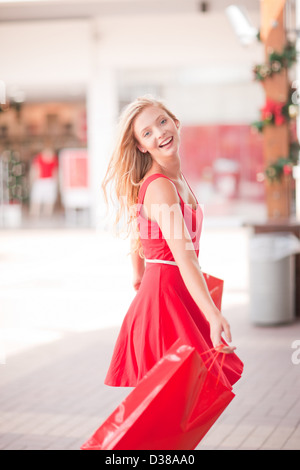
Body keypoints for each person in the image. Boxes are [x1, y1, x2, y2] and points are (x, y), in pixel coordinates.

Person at [102, 96, 243, 388]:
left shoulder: (173, 179)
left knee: (186, 400)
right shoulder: (161, 187)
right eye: (147, 133)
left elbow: (137, 229)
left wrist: (138, 273)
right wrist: (212, 314)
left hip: (171, 293)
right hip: (166, 300)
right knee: (179, 401)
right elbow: (186, 257)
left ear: (176, 123)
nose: (159, 133)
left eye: (162, 122)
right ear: (141, 146)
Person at [29, 147, 58, 218]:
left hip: (49, 181)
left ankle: (47, 213)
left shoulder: (54, 159)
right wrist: (33, 179)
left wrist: (56, 181)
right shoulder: (38, 158)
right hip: (40, 181)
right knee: (37, 198)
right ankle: (35, 213)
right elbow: (35, 169)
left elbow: (55, 171)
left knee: (49, 199)